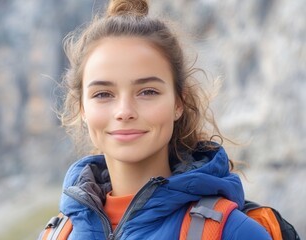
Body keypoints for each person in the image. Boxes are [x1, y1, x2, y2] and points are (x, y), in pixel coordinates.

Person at [49, 0, 272, 239]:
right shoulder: (58, 233)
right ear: (82, 108)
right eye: (103, 94)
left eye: (147, 92)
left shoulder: (233, 232)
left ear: (178, 103)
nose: (124, 111)